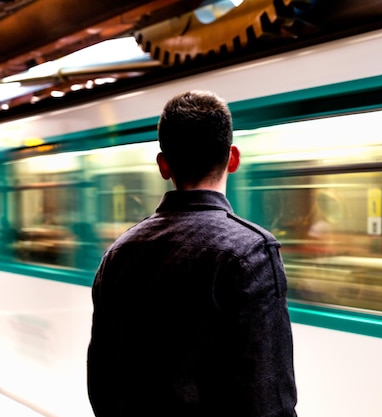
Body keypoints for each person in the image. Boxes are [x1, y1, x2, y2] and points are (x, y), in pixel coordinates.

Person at [87, 90, 298, 417]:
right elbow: (268, 400)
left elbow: (101, 383)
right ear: (233, 158)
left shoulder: (119, 254)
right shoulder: (252, 251)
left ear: (163, 165)